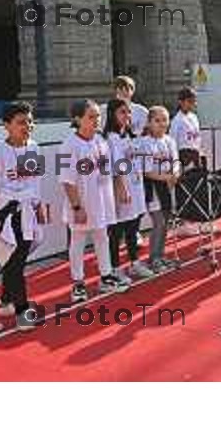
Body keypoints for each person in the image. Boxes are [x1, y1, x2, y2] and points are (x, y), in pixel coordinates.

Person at [0, 102, 45, 331]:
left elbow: (34, 182)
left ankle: (7, 300)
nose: (27, 126)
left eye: (30, 121)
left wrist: (38, 207)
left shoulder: (34, 148)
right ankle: (21, 311)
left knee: (14, 262)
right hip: (4, 216)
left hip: (27, 212)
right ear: (6, 126)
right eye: (21, 122)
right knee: (15, 263)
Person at [59, 100, 130, 303]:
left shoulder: (101, 140)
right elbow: (66, 181)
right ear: (77, 119)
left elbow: (108, 171)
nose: (96, 120)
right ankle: (78, 283)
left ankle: (106, 277)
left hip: (101, 202)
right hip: (82, 204)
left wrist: (117, 191)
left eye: (98, 116)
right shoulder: (68, 145)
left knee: (102, 238)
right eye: (91, 116)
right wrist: (77, 207)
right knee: (78, 242)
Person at [104, 99, 154, 283]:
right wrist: (122, 187)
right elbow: (116, 165)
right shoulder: (111, 138)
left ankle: (134, 263)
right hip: (122, 189)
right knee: (117, 230)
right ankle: (114, 267)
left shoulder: (130, 136)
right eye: (122, 112)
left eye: (128, 112)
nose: (127, 116)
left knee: (133, 227)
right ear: (113, 115)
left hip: (136, 185)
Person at [140, 106, 181, 273]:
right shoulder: (144, 143)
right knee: (159, 222)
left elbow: (176, 161)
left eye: (165, 120)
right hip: (154, 188)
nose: (162, 124)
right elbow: (147, 171)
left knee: (166, 223)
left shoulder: (170, 140)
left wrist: (176, 173)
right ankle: (154, 258)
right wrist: (167, 178)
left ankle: (160, 255)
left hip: (168, 187)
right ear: (149, 123)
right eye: (157, 120)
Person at [170, 87, 206, 235]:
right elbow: (173, 143)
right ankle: (183, 222)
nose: (193, 104)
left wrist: (201, 154)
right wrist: (177, 163)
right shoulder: (176, 121)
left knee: (196, 189)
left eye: (194, 101)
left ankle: (197, 219)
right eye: (189, 101)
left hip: (195, 157)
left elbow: (197, 139)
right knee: (183, 190)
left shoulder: (194, 117)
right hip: (183, 158)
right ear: (181, 102)